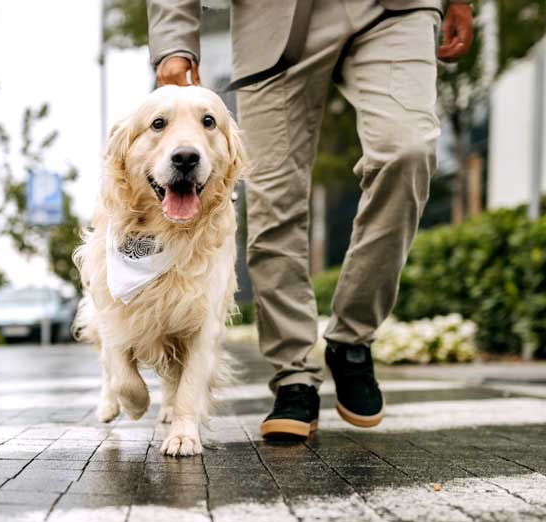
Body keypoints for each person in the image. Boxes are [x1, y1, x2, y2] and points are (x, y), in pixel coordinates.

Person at [146, 0, 474, 438]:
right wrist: (173, 41)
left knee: (407, 151)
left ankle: (352, 339)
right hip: (273, 19)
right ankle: (293, 373)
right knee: (274, 199)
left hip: (395, 9)